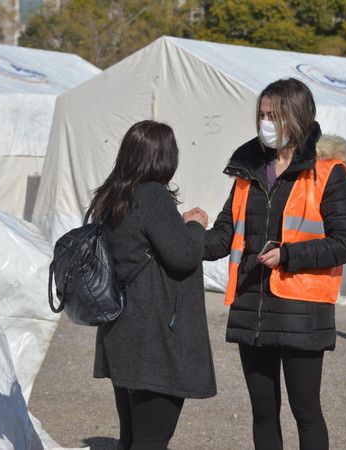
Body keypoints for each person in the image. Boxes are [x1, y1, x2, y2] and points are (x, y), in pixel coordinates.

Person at [201, 78, 346, 450]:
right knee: (262, 413)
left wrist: (290, 254)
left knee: (305, 411)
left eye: (274, 115)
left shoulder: (328, 172)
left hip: (301, 309)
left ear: (299, 117)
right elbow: (224, 233)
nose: (265, 122)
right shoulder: (248, 168)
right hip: (251, 304)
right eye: (261, 114)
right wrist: (183, 236)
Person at [90, 120, 216, 450]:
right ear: (165, 158)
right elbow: (183, 255)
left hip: (122, 333)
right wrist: (195, 224)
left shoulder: (112, 197)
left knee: (132, 437)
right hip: (153, 340)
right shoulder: (153, 197)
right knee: (151, 440)